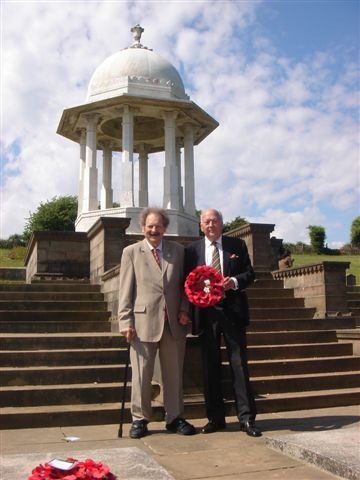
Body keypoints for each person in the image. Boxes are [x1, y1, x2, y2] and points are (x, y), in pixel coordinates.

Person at [118, 207, 196, 438]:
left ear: (165, 228)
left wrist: (184, 309)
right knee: (142, 375)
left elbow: (185, 285)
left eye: (158, 226)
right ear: (143, 228)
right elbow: (125, 290)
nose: (154, 230)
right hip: (142, 324)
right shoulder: (131, 252)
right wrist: (125, 321)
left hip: (173, 323)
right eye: (150, 226)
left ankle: (174, 417)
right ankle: (140, 419)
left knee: (173, 375)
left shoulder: (178, 251)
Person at [185, 208, 261, 437]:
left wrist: (235, 282)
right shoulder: (191, 251)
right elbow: (186, 284)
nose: (211, 225)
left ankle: (246, 419)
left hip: (232, 313)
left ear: (221, 223)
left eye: (215, 220)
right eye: (207, 221)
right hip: (206, 315)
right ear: (201, 225)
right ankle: (215, 418)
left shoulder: (236, 246)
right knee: (210, 367)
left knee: (239, 366)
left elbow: (250, 274)